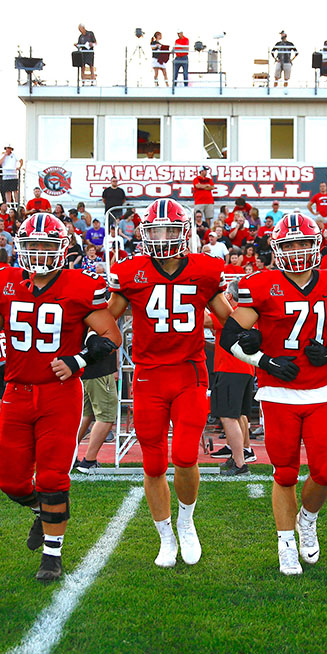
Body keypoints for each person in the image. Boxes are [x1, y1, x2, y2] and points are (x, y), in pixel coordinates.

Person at [0, 213, 121, 582]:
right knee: (11, 480)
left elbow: (111, 335)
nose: (40, 253)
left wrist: (77, 359)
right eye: (32, 246)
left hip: (59, 395)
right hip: (16, 392)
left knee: (52, 477)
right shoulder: (5, 283)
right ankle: (42, 512)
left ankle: (52, 556)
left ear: (62, 249)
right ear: (20, 248)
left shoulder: (81, 285)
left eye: (47, 245)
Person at [220, 211, 327, 575]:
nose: (298, 249)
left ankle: (308, 518)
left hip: (321, 390)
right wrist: (264, 361)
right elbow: (228, 338)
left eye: (303, 242)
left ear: (316, 245)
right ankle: (286, 542)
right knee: (285, 473)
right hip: (278, 392)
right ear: (277, 248)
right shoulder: (262, 284)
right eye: (290, 243)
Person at [106, 199, 233, 568]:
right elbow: (107, 317)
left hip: (189, 371)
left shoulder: (204, 270)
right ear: (145, 235)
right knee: (154, 463)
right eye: (155, 231)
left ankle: (187, 521)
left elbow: (227, 315)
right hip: (148, 374)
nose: (162, 238)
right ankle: (164, 535)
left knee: (186, 456)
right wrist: (92, 343)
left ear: (185, 233)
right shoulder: (131, 271)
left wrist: (257, 339)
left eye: (169, 230)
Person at [207, 281, 257, 475]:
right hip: (243, 368)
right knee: (238, 415)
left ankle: (239, 463)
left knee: (228, 416)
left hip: (230, 368)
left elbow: (205, 320)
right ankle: (240, 454)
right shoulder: (244, 312)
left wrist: (201, 298)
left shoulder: (232, 313)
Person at [73, 343, 118, 472]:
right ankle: (89, 461)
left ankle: (68, 455)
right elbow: (109, 337)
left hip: (85, 368)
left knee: (86, 414)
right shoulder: (99, 323)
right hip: (99, 368)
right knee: (106, 416)